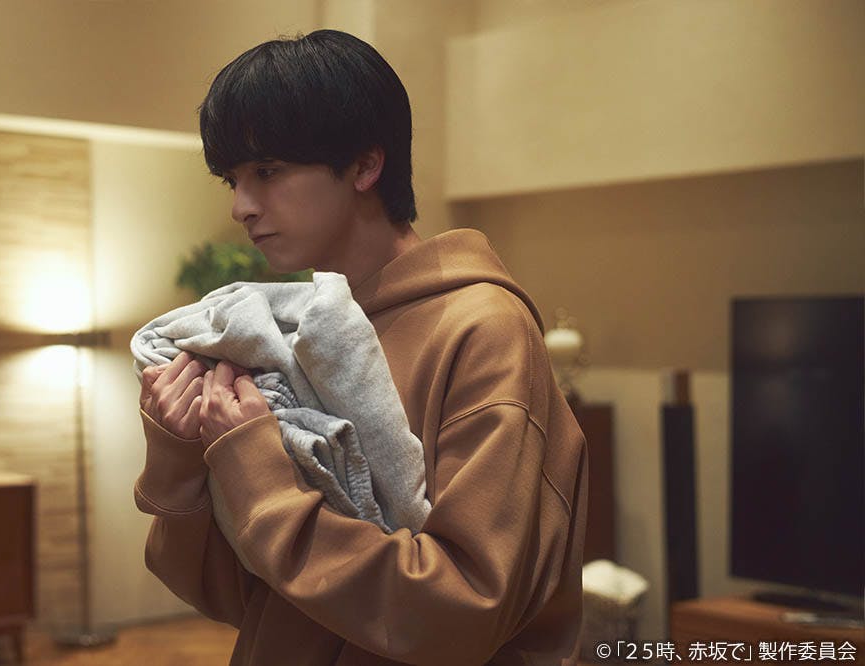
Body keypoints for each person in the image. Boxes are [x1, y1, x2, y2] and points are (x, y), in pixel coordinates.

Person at [134, 29, 588, 666]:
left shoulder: (483, 329)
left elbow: (461, 611)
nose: (241, 206)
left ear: (365, 166)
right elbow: (241, 598)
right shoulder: (290, 329)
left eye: (267, 171)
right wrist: (179, 458)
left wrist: (259, 475)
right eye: (232, 179)